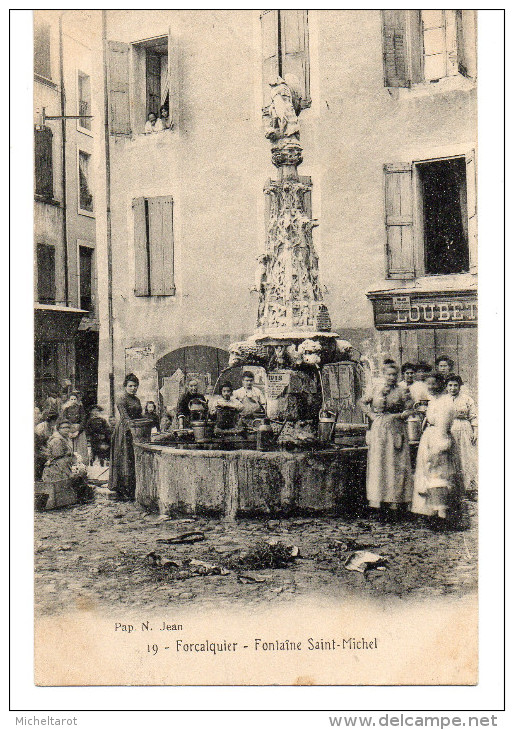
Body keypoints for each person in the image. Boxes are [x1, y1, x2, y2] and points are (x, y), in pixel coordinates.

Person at [359, 363, 414, 517]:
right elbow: (362, 402)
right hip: (379, 429)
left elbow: (411, 408)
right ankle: (378, 501)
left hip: (396, 429)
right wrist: (371, 416)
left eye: (394, 375)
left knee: (395, 465)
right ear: (383, 375)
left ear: (398, 376)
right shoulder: (376, 389)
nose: (391, 377)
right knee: (379, 464)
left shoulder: (403, 390)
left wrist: (402, 415)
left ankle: (395, 502)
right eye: (388, 374)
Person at [411, 373, 461, 529]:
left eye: (434, 384)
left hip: (439, 439)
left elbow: (443, 426)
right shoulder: (435, 401)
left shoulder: (445, 402)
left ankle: (442, 515)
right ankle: (432, 511)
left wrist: (439, 446)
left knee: (438, 476)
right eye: (429, 384)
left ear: (441, 383)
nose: (431, 387)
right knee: (430, 475)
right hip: (431, 437)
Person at [109, 374, 143, 501]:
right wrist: (133, 429)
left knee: (132, 459)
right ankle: (122, 489)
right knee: (124, 459)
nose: (133, 388)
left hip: (135, 429)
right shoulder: (121, 399)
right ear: (125, 386)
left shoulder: (137, 400)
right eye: (130, 386)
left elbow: (139, 415)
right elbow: (125, 416)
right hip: (124, 431)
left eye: (135, 386)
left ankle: (132, 488)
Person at [42, 419, 92, 503]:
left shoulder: (65, 439)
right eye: (63, 427)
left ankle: (81, 497)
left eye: (68, 427)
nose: (66, 429)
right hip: (56, 469)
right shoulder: (57, 440)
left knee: (81, 474)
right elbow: (58, 458)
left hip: (63, 466)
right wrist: (70, 472)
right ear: (58, 429)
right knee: (75, 477)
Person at [447, 374, 478, 496]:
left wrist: (475, 431)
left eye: (455, 385)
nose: (453, 388)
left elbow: (473, 417)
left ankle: (469, 488)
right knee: (450, 458)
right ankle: (452, 489)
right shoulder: (443, 399)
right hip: (449, 429)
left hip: (465, 430)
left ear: (460, 386)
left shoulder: (467, 399)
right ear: (446, 387)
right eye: (450, 385)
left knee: (466, 458)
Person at [61, 391, 88, 463]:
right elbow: (64, 420)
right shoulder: (66, 409)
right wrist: (68, 432)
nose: (73, 401)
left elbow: (83, 421)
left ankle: (80, 466)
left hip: (79, 432)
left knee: (80, 451)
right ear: (69, 400)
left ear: (77, 400)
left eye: (74, 399)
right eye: (71, 399)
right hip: (69, 431)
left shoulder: (80, 408)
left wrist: (78, 431)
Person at [35, 409, 59, 479]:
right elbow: (38, 442)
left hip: (46, 447)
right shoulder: (41, 427)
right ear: (52, 420)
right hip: (39, 448)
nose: (56, 422)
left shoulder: (52, 427)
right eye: (55, 420)